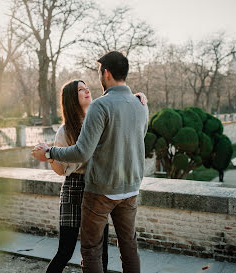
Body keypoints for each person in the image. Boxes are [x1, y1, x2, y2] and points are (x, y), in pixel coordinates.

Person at [32, 51, 149, 273]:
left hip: (101, 189)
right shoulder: (140, 104)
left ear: (105, 73)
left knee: (92, 251)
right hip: (130, 188)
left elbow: (82, 152)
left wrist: (49, 153)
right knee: (129, 247)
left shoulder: (101, 106)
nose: (87, 90)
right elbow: (139, 136)